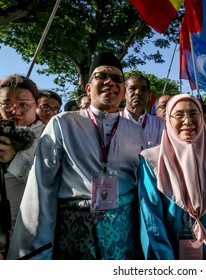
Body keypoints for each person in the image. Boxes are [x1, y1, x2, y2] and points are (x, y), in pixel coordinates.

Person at [7, 52, 146, 260]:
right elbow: (42, 189)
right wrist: (36, 254)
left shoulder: (136, 131)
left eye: (117, 79)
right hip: (74, 232)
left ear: (123, 90)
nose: (110, 81)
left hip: (123, 235)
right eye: (102, 76)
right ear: (88, 89)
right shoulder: (63, 123)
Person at [138, 93, 206, 260]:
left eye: (193, 113)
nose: (187, 121)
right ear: (168, 120)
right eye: (179, 114)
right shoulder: (152, 162)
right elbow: (152, 223)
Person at [0, 74, 44, 260]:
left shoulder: (49, 137)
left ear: (37, 105)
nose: (14, 111)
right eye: (6, 104)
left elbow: (48, 186)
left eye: (24, 105)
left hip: (32, 242)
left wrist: (13, 160)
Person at [122, 73, 164, 147]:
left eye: (143, 89)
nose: (138, 92)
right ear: (124, 93)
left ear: (149, 96)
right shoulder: (113, 121)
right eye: (132, 88)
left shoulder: (160, 124)